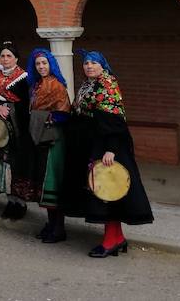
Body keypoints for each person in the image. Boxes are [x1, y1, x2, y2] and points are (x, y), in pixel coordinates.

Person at [62, 50, 154, 257]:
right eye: (86, 63)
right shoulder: (88, 85)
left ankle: (111, 240)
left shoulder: (108, 85)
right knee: (103, 191)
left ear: (103, 65)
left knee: (108, 191)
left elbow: (114, 121)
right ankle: (117, 238)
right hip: (92, 142)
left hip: (107, 146)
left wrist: (111, 149)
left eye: (94, 63)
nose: (89, 66)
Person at [0, 41, 36, 219]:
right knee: (1, 162)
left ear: (16, 58)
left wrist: (9, 109)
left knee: (15, 164)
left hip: (17, 127)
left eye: (9, 56)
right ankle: (9, 201)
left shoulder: (24, 77)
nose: (5, 59)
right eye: (3, 56)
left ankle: (20, 203)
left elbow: (28, 104)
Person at [25, 48, 72, 243]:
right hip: (41, 137)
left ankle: (59, 228)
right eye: (38, 64)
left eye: (44, 63)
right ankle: (51, 224)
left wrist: (45, 118)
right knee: (44, 183)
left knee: (52, 181)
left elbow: (63, 113)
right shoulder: (36, 85)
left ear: (51, 64)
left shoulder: (56, 85)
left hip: (53, 139)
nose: (41, 67)